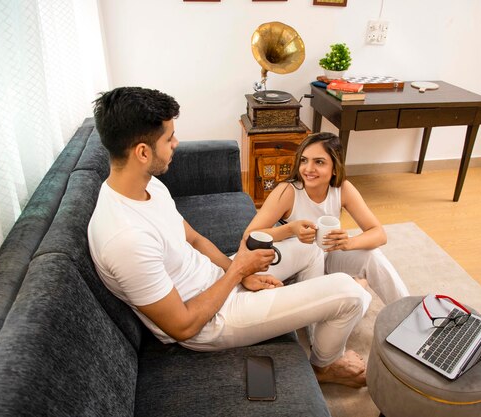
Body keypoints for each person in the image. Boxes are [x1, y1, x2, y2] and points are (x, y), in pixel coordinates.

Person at [87, 87, 372, 388]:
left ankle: (316, 328)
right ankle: (324, 366)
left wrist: (238, 273)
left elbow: (195, 240)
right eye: (169, 138)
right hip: (212, 322)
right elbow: (183, 326)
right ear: (143, 153)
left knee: (310, 249)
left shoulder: (150, 187)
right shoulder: (125, 238)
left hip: (220, 281)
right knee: (349, 293)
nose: (176, 143)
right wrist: (238, 271)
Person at [244, 132, 409, 305]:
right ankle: (357, 284)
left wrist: (349, 243)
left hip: (329, 256)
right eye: (304, 160)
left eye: (319, 162)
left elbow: (379, 234)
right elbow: (250, 235)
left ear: (335, 168)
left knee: (372, 256)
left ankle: (409, 313)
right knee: (339, 302)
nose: (308, 169)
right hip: (297, 263)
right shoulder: (287, 192)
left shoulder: (342, 189)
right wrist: (290, 229)